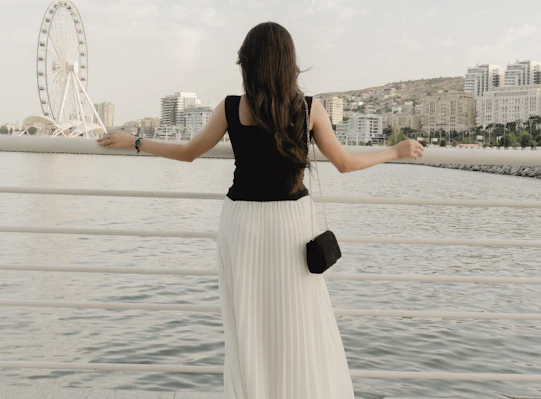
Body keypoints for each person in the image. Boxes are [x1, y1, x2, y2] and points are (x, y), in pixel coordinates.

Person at [97, 21, 425, 398]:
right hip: (291, 225)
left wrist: (134, 141)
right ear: (289, 63)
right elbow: (345, 164)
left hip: (242, 223)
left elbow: (188, 153)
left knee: (249, 323)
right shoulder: (308, 108)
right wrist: (396, 151)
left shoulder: (232, 107)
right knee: (298, 319)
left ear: (247, 62)